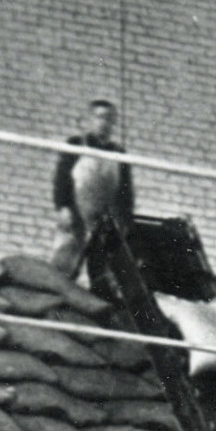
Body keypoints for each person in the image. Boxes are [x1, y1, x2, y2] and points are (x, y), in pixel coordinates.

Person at [50, 98, 136, 292]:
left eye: (109, 119)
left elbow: (125, 192)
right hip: (75, 217)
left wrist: (124, 221)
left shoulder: (119, 154)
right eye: (99, 117)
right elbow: (61, 179)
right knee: (63, 268)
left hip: (103, 222)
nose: (104, 123)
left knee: (100, 273)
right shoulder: (76, 144)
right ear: (89, 120)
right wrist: (63, 207)